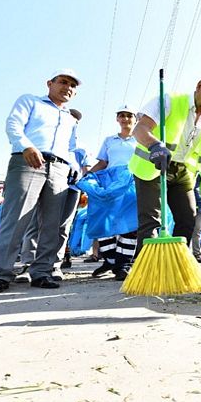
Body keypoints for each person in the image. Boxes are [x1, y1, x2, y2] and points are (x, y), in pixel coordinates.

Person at [0, 69, 85, 294]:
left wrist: (75, 167)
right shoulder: (30, 101)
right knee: (17, 218)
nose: (67, 87)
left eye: (72, 85)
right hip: (28, 160)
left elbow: (71, 147)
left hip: (59, 169)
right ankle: (1, 275)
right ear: (49, 83)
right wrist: (26, 146)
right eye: (62, 82)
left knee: (52, 223)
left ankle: (41, 272)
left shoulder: (71, 119)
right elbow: (13, 125)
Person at [128, 67, 201, 261]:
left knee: (188, 219)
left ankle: (175, 264)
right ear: (200, 86)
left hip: (183, 173)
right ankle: (145, 267)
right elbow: (140, 128)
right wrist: (154, 145)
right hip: (154, 166)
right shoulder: (169, 101)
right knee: (152, 221)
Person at [15, 108, 89, 282]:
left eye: (76, 120)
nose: (73, 121)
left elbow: (87, 168)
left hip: (71, 189)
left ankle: (54, 264)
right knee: (34, 224)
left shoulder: (81, 147)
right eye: (69, 117)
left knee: (62, 227)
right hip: (44, 183)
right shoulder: (48, 140)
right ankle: (28, 264)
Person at [87, 104, 139, 281]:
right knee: (105, 220)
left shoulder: (139, 139)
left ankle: (123, 264)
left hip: (132, 182)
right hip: (111, 181)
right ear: (117, 119)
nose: (125, 119)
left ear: (135, 118)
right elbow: (103, 162)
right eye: (122, 115)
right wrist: (88, 175)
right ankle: (109, 260)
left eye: (129, 115)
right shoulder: (109, 140)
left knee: (130, 222)